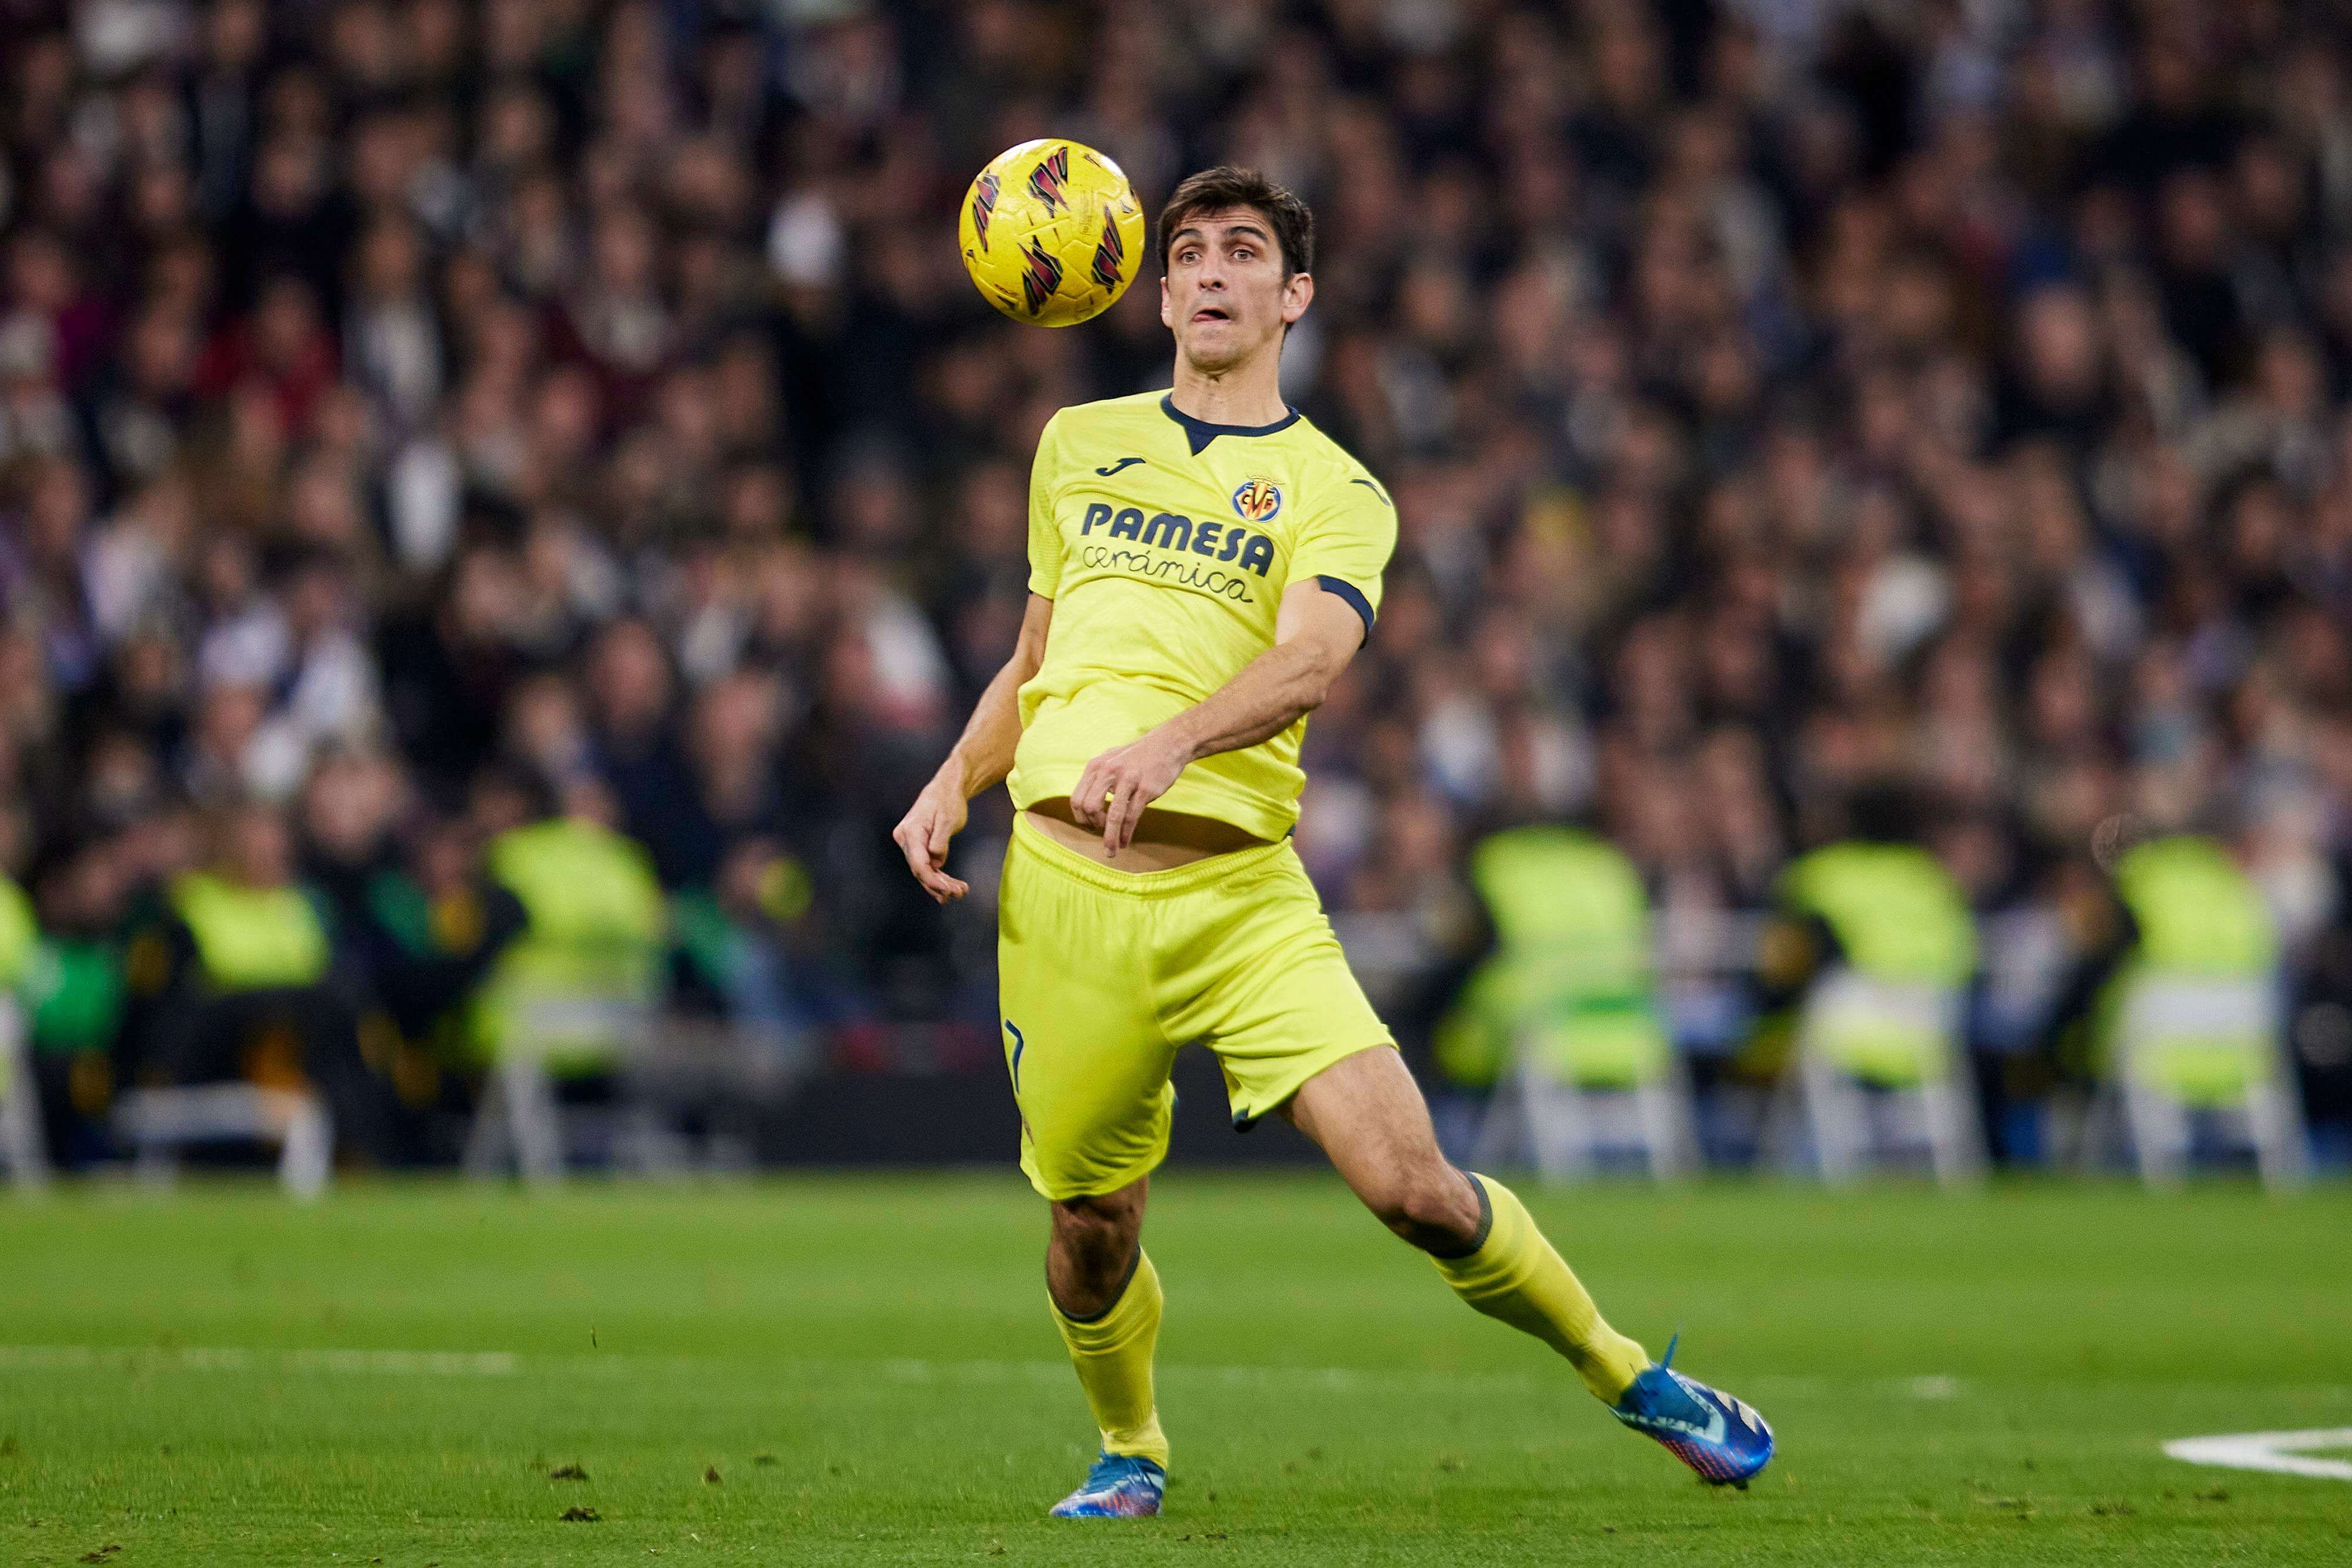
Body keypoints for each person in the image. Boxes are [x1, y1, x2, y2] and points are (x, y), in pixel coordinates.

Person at [892, 166, 1772, 1520]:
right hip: (1062, 889)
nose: (1207, 271)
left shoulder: (1335, 487)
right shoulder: (1076, 442)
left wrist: (1170, 741)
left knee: (1412, 1186)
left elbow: (1309, 660)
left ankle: (1629, 1375)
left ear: (1291, 295)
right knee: (1088, 1228)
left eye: (1242, 251)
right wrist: (953, 772)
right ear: (1155, 281)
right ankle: (1131, 1445)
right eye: (1186, 252)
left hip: (1239, 901)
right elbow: (1032, 659)